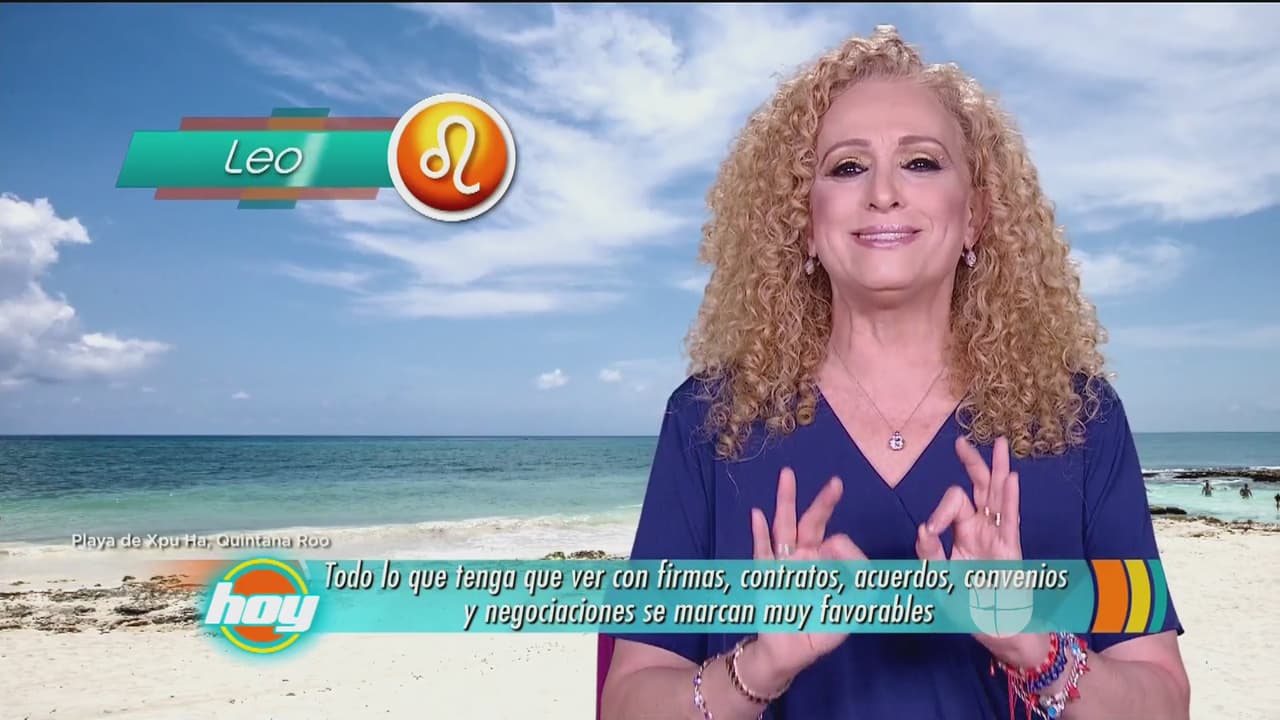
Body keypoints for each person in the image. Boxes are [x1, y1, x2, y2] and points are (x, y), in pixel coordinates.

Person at [600, 26, 1190, 720]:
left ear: (975, 217)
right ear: (804, 223)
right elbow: (629, 700)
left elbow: (1163, 702)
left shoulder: (1080, 419)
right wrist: (758, 668)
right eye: (847, 167)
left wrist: (1037, 646)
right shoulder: (709, 420)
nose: (883, 192)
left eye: (921, 162)